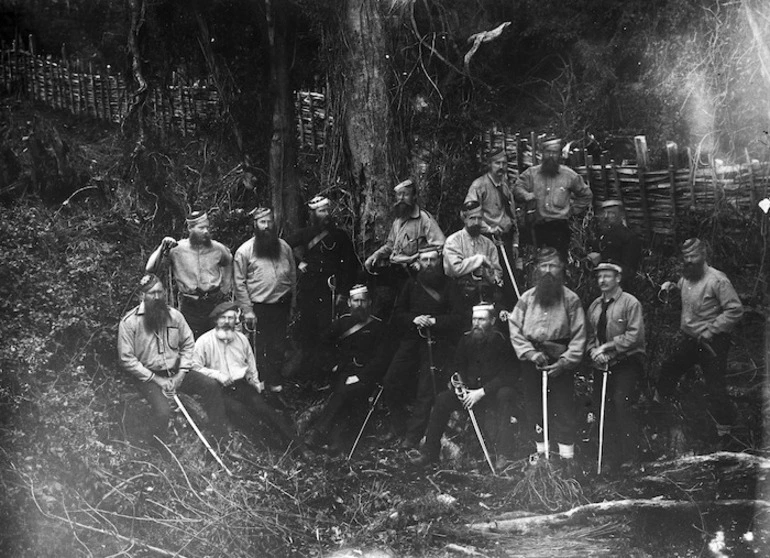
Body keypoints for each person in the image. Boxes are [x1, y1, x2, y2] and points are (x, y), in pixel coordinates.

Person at [118, 274, 229, 449]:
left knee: (211, 386)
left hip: (176, 371)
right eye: (151, 293)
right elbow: (127, 359)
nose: (156, 297)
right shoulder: (129, 322)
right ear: (142, 296)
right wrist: (158, 380)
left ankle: (221, 441)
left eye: (160, 292)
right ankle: (153, 449)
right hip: (148, 378)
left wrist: (181, 374)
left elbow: (188, 343)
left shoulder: (175, 316)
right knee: (163, 412)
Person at [192, 302, 311, 458]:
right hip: (220, 390)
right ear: (216, 321)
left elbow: (251, 363)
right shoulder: (204, 342)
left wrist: (255, 383)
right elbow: (194, 367)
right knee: (242, 414)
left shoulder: (241, 339)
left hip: (241, 386)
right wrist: (217, 375)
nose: (228, 322)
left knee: (267, 411)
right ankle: (273, 449)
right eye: (224, 318)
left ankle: (300, 448)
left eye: (232, 318)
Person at [411, 303, 518, 469]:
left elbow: (508, 375)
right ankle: (429, 452)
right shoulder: (466, 339)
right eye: (474, 319)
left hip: (491, 394)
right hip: (469, 394)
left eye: (482, 319)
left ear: (492, 320)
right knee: (442, 399)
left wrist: (481, 392)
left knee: (506, 394)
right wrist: (459, 384)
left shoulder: (502, 341)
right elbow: (457, 365)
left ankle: (504, 454)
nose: (476, 323)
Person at [656, 238, 743, 437]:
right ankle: (660, 413)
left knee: (715, 386)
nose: (689, 260)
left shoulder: (717, 280)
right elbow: (685, 290)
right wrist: (671, 286)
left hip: (713, 342)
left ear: (703, 255)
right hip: (691, 340)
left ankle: (726, 432)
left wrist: (712, 329)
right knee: (669, 368)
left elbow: (735, 310)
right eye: (686, 257)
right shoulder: (687, 277)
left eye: (693, 256)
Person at [508, 247, 586, 464]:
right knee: (535, 408)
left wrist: (564, 362)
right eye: (544, 266)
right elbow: (514, 328)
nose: (548, 271)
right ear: (537, 269)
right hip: (533, 360)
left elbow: (580, 336)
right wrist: (531, 354)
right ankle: (541, 458)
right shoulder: (526, 299)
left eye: (553, 266)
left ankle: (566, 460)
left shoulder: (571, 300)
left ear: (561, 269)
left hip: (560, 360)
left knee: (563, 407)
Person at [381, 245, 463, 449]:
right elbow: (398, 314)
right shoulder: (411, 284)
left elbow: (459, 318)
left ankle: (413, 436)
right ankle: (400, 428)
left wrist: (435, 322)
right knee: (390, 381)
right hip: (412, 340)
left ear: (439, 261)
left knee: (425, 389)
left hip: (438, 343)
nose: (428, 264)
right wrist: (414, 319)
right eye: (424, 260)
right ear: (418, 263)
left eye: (432, 260)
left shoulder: (450, 285)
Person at [304, 285, 392, 453]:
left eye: (363, 301)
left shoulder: (379, 327)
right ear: (350, 303)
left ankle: (318, 433)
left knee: (346, 392)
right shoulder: (342, 322)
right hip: (343, 371)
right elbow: (323, 344)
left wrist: (361, 377)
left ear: (369, 303)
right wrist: (332, 364)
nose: (359, 304)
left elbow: (382, 359)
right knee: (347, 394)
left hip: (367, 375)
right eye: (356, 301)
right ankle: (336, 443)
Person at [286, 195, 359, 382]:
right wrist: (298, 263)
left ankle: (326, 373)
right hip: (310, 290)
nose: (326, 214)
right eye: (321, 211)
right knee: (307, 330)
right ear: (313, 213)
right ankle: (307, 374)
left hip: (330, 290)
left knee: (326, 331)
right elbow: (283, 245)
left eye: (327, 210)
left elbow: (349, 265)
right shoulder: (305, 233)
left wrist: (343, 292)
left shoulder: (340, 236)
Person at [586, 261, 646, 470]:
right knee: (603, 409)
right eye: (599, 276)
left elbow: (635, 336)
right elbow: (590, 336)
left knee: (622, 403)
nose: (602, 280)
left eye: (607, 276)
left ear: (618, 278)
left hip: (626, 362)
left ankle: (632, 456)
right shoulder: (594, 306)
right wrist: (595, 352)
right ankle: (610, 457)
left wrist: (609, 348)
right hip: (601, 365)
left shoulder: (630, 303)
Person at [233, 207, 297, 393]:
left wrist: (292, 304)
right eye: (263, 222)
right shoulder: (245, 251)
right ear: (255, 225)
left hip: (281, 306)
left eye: (270, 222)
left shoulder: (284, 247)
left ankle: (275, 384)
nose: (267, 226)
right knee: (257, 347)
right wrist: (247, 310)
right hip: (258, 308)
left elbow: (292, 276)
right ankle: (258, 385)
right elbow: (239, 282)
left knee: (278, 346)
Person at [145, 211, 233, 338]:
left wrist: (225, 287)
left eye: (207, 227)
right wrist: (162, 246)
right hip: (190, 306)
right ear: (190, 228)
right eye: (201, 228)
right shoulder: (176, 249)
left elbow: (228, 261)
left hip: (214, 303)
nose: (206, 231)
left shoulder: (217, 248)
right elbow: (150, 268)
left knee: (216, 343)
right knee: (191, 344)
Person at [363, 179, 445, 314]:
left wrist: (419, 261)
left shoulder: (424, 219)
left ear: (414, 197)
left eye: (405, 194)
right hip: (396, 270)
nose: (401, 198)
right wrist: (375, 255)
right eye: (399, 195)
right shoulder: (398, 220)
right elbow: (390, 245)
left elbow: (440, 245)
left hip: (414, 274)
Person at [513, 138, 593, 261]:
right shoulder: (531, 174)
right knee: (533, 263)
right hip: (535, 227)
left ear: (559, 155)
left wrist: (571, 210)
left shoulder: (569, 175)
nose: (551, 156)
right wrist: (526, 195)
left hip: (559, 229)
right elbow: (517, 188)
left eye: (554, 152)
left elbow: (586, 194)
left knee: (559, 263)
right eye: (548, 152)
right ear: (542, 153)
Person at [464, 147, 520, 305]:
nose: (501, 167)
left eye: (504, 163)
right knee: (492, 281)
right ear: (489, 164)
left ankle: (510, 318)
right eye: (497, 163)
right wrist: (488, 229)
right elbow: (469, 216)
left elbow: (512, 216)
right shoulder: (478, 186)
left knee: (510, 282)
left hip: (506, 241)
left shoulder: (505, 186)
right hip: (488, 241)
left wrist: (515, 242)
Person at [443, 200, 503, 320]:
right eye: (472, 218)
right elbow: (456, 269)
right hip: (458, 295)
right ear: (464, 219)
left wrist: (488, 273)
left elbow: (497, 273)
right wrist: (479, 260)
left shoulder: (488, 244)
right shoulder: (453, 241)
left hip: (485, 294)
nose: (476, 222)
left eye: (479, 218)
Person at [587, 200, 642, 293]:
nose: (606, 217)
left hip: (618, 287)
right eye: (604, 213)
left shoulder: (628, 237)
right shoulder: (602, 235)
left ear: (621, 215)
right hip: (599, 284)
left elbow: (629, 270)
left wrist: (601, 260)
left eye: (611, 213)